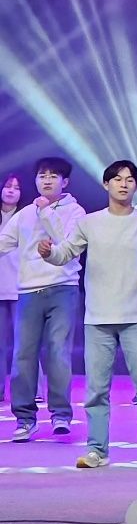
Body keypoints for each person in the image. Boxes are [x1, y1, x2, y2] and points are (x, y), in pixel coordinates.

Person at [37, 159, 137, 468]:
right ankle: (97, 450)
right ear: (106, 184)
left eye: (129, 180)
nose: (123, 184)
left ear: (136, 186)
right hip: (98, 319)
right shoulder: (90, 223)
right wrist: (49, 253)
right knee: (96, 391)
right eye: (117, 179)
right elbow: (65, 253)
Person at [0, 156, 84, 442]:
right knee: (23, 355)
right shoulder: (25, 213)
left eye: (53, 176)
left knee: (58, 352)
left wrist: (46, 211)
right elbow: (4, 243)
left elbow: (67, 244)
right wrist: (37, 210)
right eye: (42, 176)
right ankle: (25, 418)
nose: (46, 180)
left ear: (65, 182)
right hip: (28, 290)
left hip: (63, 288)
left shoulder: (75, 211)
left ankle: (61, 414)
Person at [0, 173, 22, 404]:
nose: (11, 191)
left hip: (19, 287)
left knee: (24, 343)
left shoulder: (26, 216)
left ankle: (30, 390)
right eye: (7, 186)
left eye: (16, 187)